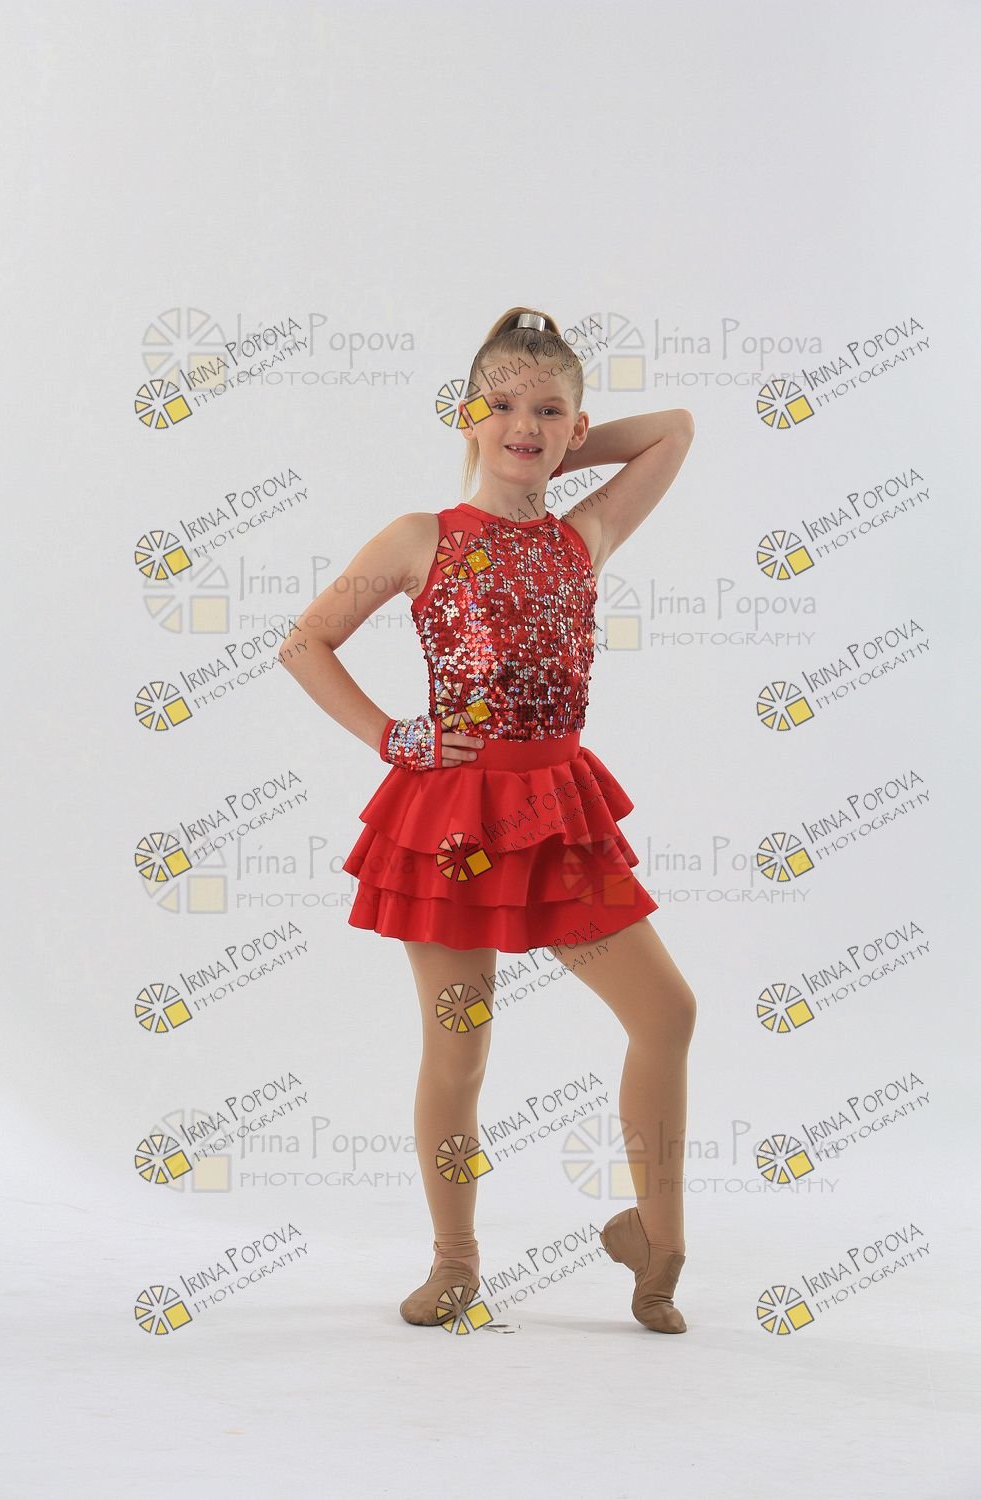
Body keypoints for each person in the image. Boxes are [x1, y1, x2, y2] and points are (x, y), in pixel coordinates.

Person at [278, 307, 697, 1333]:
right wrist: (393, 737)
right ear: (465, 414)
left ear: (577, 426)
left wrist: (548, 449)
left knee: (666, 1013)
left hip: (557, 816)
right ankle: (455, 1259)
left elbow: (674, 429)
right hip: (452, 825)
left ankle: (657, 1240)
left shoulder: (583, 535)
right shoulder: (420, 538)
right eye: (501, 405)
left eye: (549, 411)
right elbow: (304, 644)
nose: (525, 423)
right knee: (460, 1049)